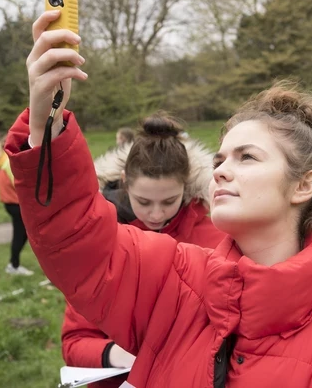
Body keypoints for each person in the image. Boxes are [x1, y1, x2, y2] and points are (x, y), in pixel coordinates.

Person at [5, 10, 312, 387]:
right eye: (222, 156)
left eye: (247, 157)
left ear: (304, 185)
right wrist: (47, 115)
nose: (221, 169)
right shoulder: (174, 280)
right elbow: (77, 241)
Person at [62, 114, 226, 388]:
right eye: (144, 201)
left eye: (169, 201)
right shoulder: (102, 242)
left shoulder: (218, 237)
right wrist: (116, 354)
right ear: (125, 181)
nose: (156, 214)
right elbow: (75, 342)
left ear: (186, 185)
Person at [0, 138, 33, 276]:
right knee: (19, 235)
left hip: (9, 203)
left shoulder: (0, 161)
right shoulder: (8, 162)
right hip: (16, 204)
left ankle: (14, 263)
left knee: (24, 233)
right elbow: (19, 183)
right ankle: (13, 265)